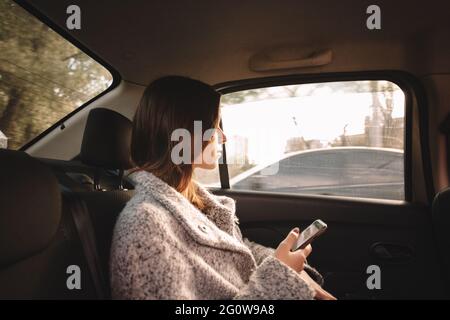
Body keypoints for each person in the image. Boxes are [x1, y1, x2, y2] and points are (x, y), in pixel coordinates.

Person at [110, 75, 335, 300]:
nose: (223, 136)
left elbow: (236, 254)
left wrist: (287, 268)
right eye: (214, 126)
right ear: (186, 133)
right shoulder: (144, 226)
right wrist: (281, 277)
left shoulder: (192, 199)